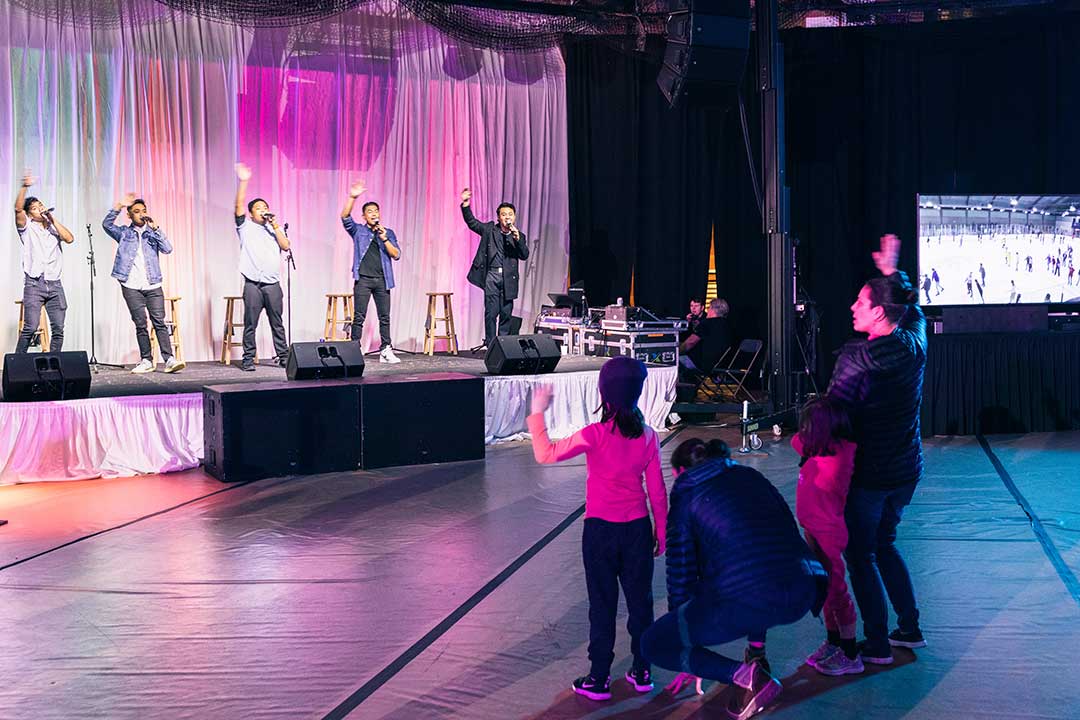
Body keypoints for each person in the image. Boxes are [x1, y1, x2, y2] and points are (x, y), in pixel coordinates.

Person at [641, 438, 826, 720]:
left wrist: (690, 654)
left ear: (680, 472)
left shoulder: (687, 497)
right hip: (805, 585)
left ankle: (746, 676)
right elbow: (783, 535)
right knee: (753, 575)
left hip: (752, 597)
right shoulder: (751, 476)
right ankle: (756, 656)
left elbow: (680, 577)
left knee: (653, 643)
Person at [527, 356, 668, 701]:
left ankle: (599, 678)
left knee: (602, 605)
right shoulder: (648, 436)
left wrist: (537, 412)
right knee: (641, 604)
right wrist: (661, 531)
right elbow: (658, 491)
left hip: (600, 532)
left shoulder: (595, 434)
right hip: (636, 530)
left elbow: (545, 454)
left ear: (605, 395)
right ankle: (642, 670)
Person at [827, 233, 927, 665]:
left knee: (861, 556)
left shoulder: (856, 358)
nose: (851, 307)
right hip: (906, 470)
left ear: (880, 313)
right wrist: (892, 274)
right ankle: (909, 627)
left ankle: (877, 644)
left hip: (869, 475)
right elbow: (914, 310)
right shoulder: (915, 341)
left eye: (860, 303)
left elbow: (832, 416)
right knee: (885, 543)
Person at [792, 398, 861, 675]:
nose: (803, 431)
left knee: (836, 590)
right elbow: (796, 440)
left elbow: (797, 441)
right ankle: (833, 642)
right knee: (824, 589)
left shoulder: (839, 454)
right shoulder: (817, 448)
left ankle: (850, 651)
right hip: (812, 529)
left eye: (809, 425)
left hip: (828, 533)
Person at [102, 194, 185, 374]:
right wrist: (118, 206)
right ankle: (146, 360)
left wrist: (156, 229)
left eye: (144, 211)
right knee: (140, 323)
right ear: (130, 215)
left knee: (159, 322)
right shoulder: (124, 233)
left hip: (153, 284)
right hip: (131, 284)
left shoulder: (151, 233)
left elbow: (168, 249)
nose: (141, 214)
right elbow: (106, 225)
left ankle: (169, 359)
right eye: (137, 212)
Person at [234, 163, 290, 372]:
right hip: (252, 284)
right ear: (251, 213)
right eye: (258, 208)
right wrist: (244, 181)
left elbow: (286, 246)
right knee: (251, 323)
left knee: (277, 322)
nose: (263, 210)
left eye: (265, 207)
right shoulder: (245, 227)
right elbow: (238, 207)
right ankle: (248, 358)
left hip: (272, 284)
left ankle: (283, 356)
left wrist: (275, 225)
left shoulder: (273, 229)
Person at [460, 187, 529, 350]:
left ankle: (503, 346)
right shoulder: (490, 230)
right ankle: (491, 346)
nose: (507, 217)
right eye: (504, 214)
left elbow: (524, 255)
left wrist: (517, 239)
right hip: (492, 276)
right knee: (491, 313)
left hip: (509, 279)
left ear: (514, 216)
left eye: (510, 214)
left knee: (506, 313)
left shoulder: (518, 235)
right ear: (498, 217)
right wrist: (465, 205)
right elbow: (472, 223)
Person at [13, 169, 74, 353]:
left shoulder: (53, 228)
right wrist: (25, 186)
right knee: (30, 328)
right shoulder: (27, 228)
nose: (39, 208)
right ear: (29, 214)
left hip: (55, 284)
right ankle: (18, 368)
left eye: (41, 205)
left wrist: (52, 219)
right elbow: (17, 209)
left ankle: (53, 366)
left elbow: (69, 238)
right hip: (34, 284)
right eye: (34, 207)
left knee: (58, 329)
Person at [340, 180, 401, 363]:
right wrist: (352, 197)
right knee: (359, 316)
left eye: (376, 211)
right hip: (364, 280)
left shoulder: (387, 232)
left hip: (383, 280)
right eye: (370, 212)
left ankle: (386, 350)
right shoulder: (358, 231)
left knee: (385, 317)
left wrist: (384, 238)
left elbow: (396, 254)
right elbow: (345, 217)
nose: (374, 214)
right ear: (364, 216)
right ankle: (354, 350)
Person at [679, 298, 732, 376]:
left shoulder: (707, 323)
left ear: (712, 310)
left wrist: (676, 352)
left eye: (709, 308)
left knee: (672, 359)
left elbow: (690, 343)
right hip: (723, 364)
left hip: (704, 364)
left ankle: (686, 387)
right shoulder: (727, 325)